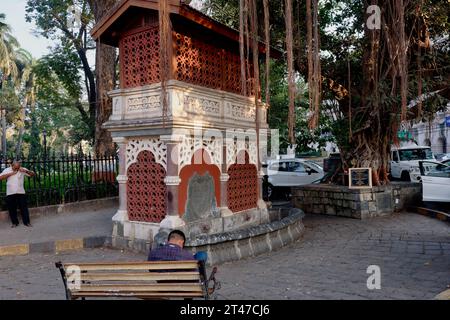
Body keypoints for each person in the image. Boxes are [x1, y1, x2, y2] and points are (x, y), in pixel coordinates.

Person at [0, 160, 36, 228]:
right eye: (16, 167)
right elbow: (1, 177)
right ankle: (14, 223)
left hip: (21, 192)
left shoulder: (22, 169)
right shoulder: (7, 170)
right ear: (12, 166)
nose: (17, 169)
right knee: (12, 209)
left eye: (18, 167)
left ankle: (27, 222)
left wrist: (25, 171)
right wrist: (11, 173)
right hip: (10, 193)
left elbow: (32, 175)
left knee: (24, 208)